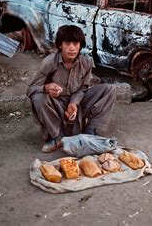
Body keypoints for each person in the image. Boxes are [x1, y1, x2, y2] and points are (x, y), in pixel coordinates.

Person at [27, 25, 115, 153]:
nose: (72, 48)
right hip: (56, 105)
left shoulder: (86, 63)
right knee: (38, 97)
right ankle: (56, 137)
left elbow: (84, 88)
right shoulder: (49, 63)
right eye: (67, 43)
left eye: (76, 43)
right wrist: (46, 88)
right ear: (60, 45)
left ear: (80, 45)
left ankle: (91, 131)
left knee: (109, 89)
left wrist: (74, 103)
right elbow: (31, 90)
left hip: (77, 105)